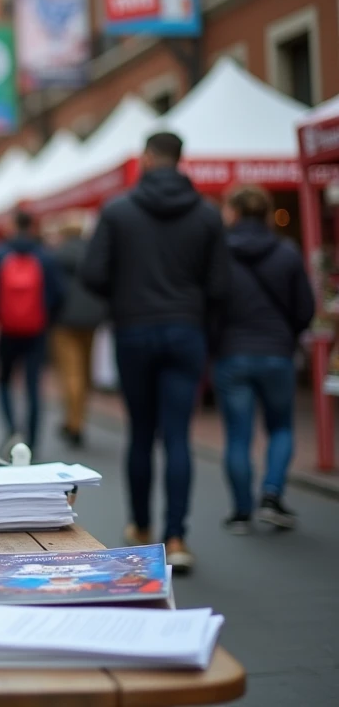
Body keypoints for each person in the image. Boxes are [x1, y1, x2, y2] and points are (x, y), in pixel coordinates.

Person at [82, 131, 229, 574]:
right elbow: (221, 285)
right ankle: (178, 536)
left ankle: (141, 529)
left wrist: (125, 294)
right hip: (186, 331)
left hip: (134, 331)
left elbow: (92, 274)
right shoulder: (207, 214)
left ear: (147, 158)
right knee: (178, 435)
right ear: (181, 160)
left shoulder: (118, 210)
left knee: (142, 433)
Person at [213, 186, 314, 534]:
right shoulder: (287, 251)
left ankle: (242, 512)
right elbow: (305, 308)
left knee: (238, 436)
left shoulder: (219, 253)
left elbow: (210, 304)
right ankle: (272, 494)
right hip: (277, 353)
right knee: (281, 427)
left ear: (235, 213)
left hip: (232, 353)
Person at [0, 210, 64, 454]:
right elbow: (58, 294)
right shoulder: (44, 256)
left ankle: (12, 431)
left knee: (4, 382)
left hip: (7, 330)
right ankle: (33, 440)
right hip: (36, 331)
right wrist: (46, 319)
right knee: (32, 385)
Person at [50, 216, 108, 448]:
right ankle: (80, 418)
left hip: (65, 320)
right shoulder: (92, 253)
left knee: (71, 373)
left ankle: (73, 423)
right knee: (85, 372)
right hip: (91, 319)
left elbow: (52, 290)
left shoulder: (57, 256)